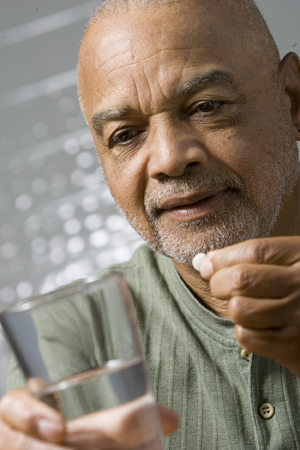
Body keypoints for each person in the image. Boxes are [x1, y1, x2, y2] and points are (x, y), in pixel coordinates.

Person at [1, 0, 300, 448]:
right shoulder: (73, 341)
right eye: (125, 134)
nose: (169, 159)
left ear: (293, 100)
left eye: (206, 106)